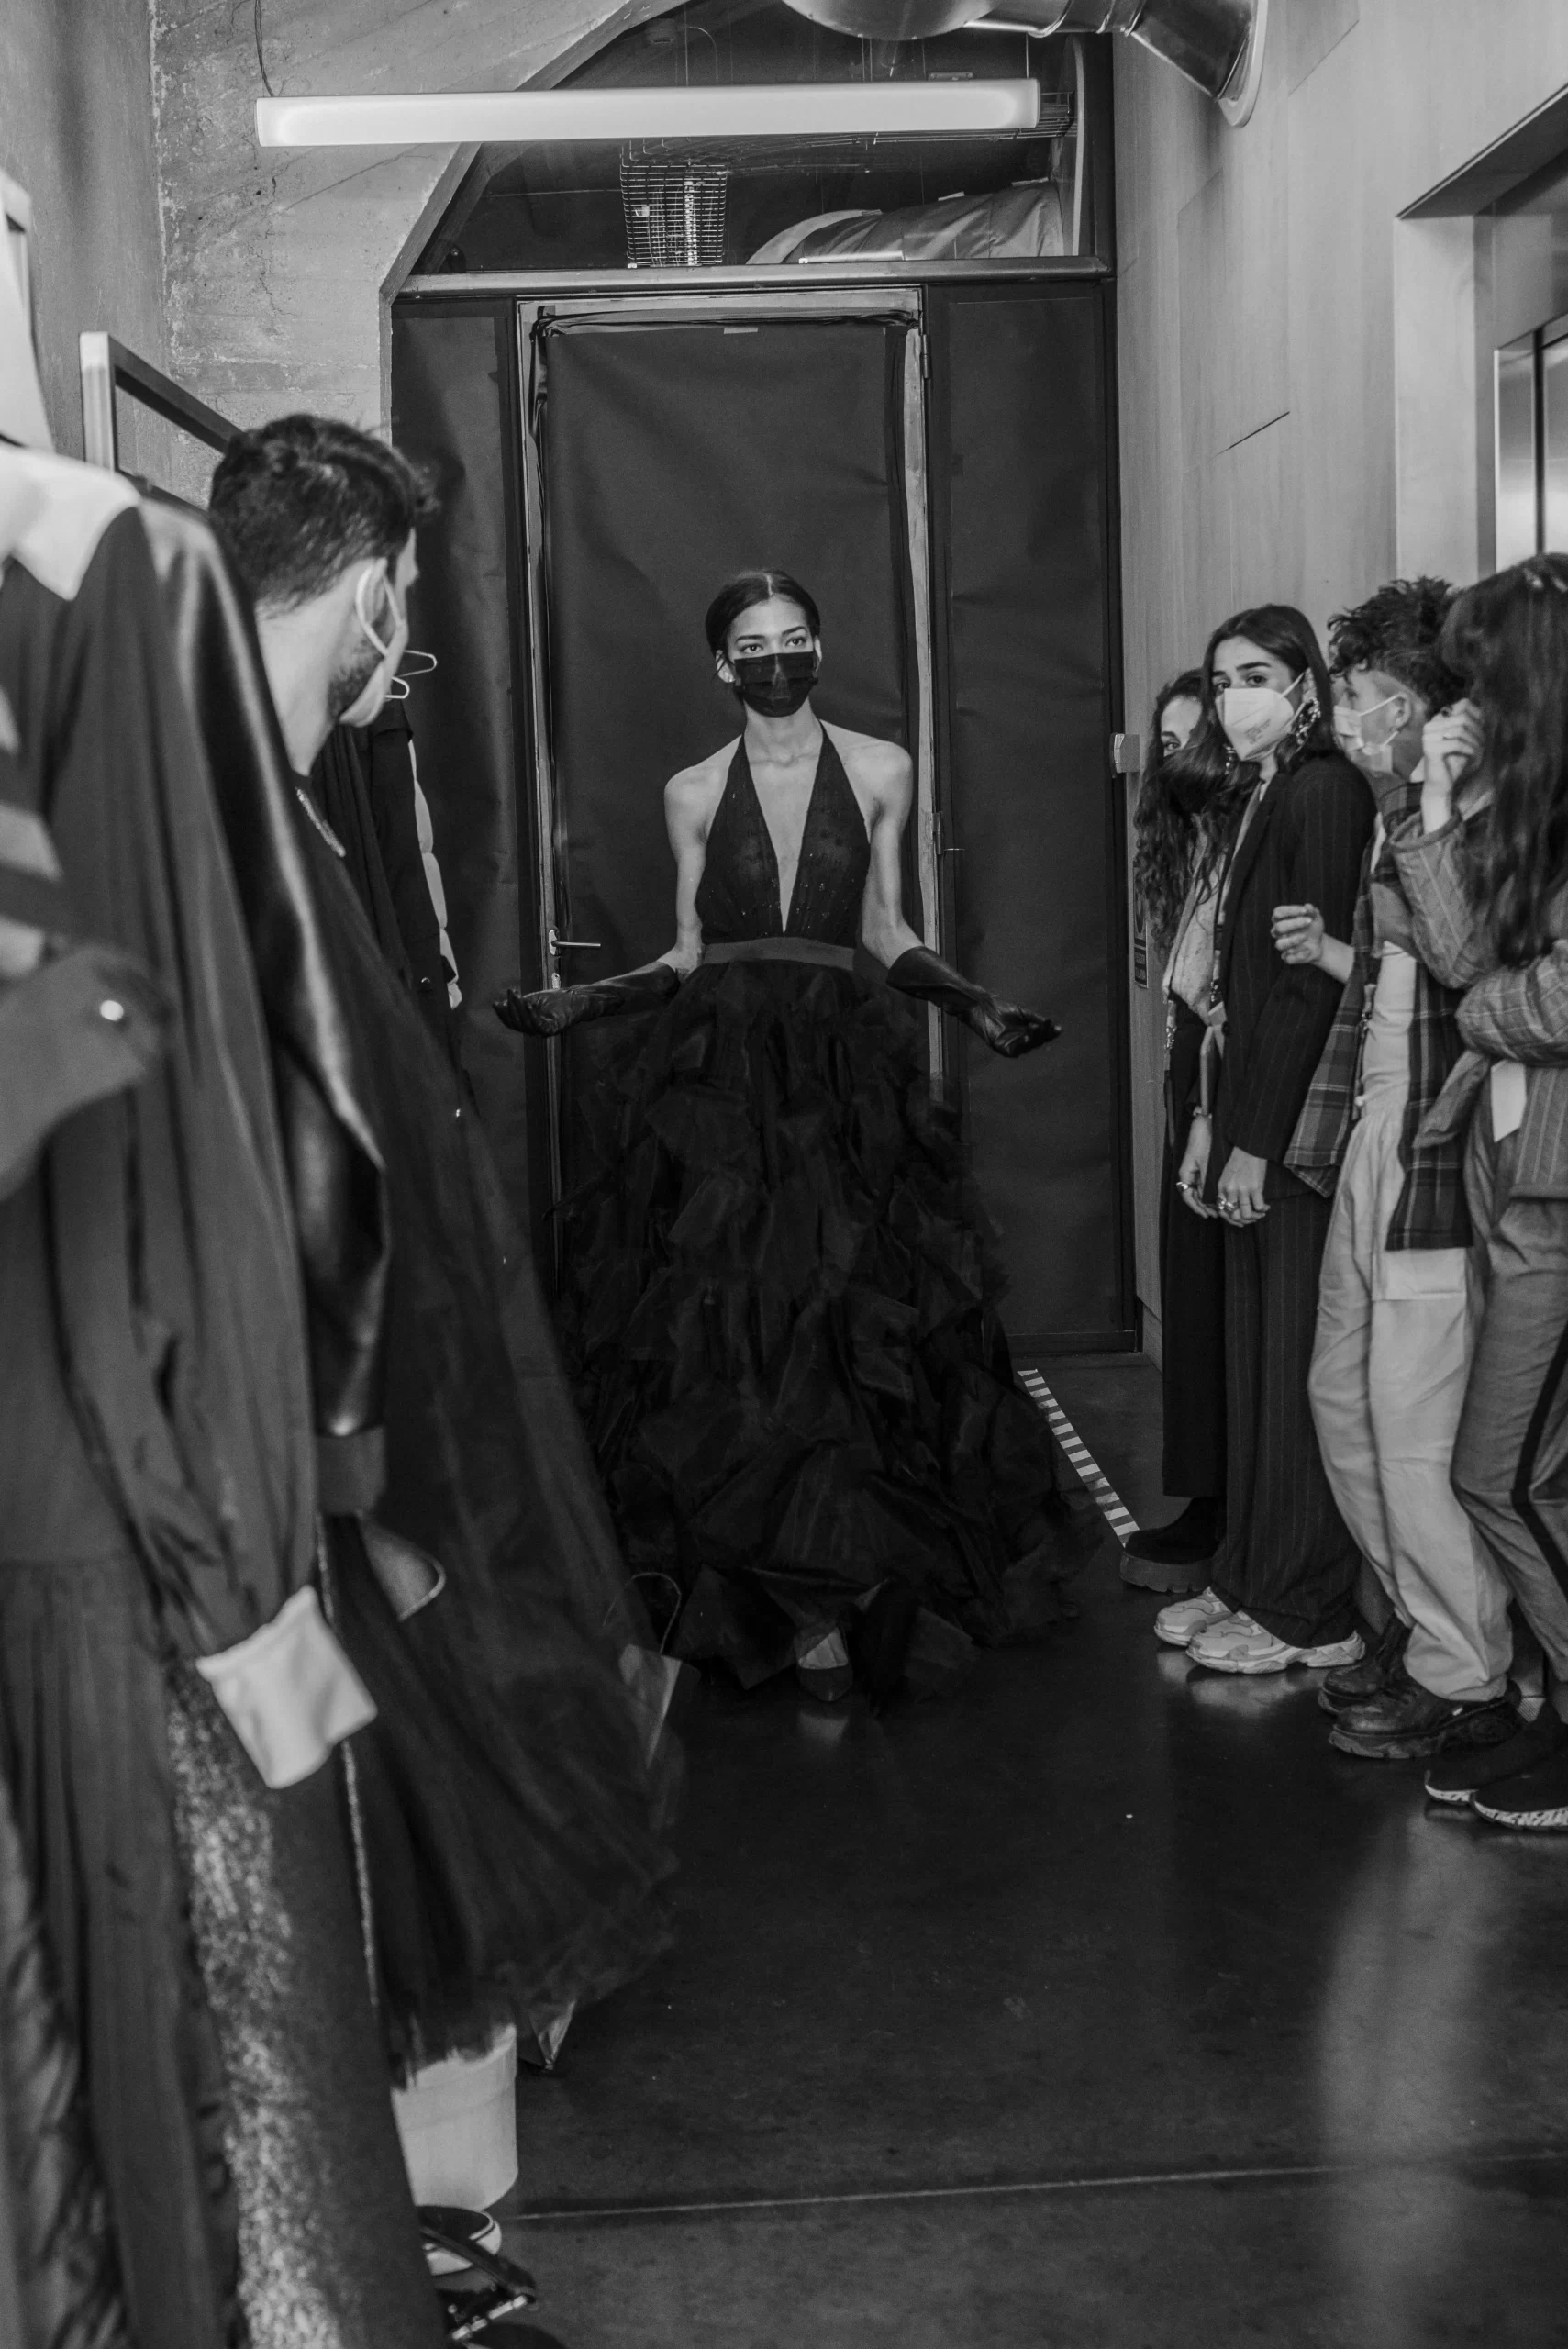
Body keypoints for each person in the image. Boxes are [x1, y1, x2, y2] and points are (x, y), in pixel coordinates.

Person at [208, 414, 675, 2072]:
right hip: (308, 1456)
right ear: (368, 593)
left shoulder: (267, 802)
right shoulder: (232, 823)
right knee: (346, 1834)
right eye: (398, 591)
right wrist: (365, 1484)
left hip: (351, 1427)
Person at [495, 567, 1110, 1703]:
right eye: (753, 644)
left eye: (793, 638)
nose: (776, 659)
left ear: (818, 648)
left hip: (838, 1070)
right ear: (720, 665)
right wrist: (580, 1003)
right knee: (730, 1322)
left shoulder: (880, 768)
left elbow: (883, 926)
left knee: (846, 1312)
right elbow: (686, 951)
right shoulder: (691, 790)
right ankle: (775, 1596)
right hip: (719, 1074)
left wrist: (974, 1005)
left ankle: (858, 1573)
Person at [1270, 580, 1516, 1761]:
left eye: (1365, 694)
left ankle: (1463, 1671)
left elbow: (1465, 962)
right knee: (1340, 1397)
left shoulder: (1481, 811)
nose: (1349, 717)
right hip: (1374, 1132)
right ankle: (1418, 1625)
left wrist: (1428, 806)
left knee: (1414, 1421)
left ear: (1420, 706)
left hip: (1436, 1145)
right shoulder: (1394, 811)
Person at [1154, 605, 1373, 1675]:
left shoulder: (1322, 789)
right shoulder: (1259, 790)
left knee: (1290, 1373)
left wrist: (1259, 1141)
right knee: (1249, 1367)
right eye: (1220, 677)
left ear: (1303, 681)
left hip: (1292, 1132)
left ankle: (1304, 1610)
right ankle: (1243, 1574)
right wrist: (1211, 1122)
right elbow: (1230, 996)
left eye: (1253, 674)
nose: (1233, 695)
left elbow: (1302, 990)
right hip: (1243, 1107)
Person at [1389, 554, 1568, 1825]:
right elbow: (1458, 953)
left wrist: (1482, 1014)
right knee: (1521, 1473)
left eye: (1476, 678)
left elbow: (1537, 998)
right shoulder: (1534, 802)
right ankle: (1553, 1712)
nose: (1461, 703)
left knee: (1498, 1474)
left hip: (1556, 1192)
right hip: (1520, 1177)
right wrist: (1438, 797)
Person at [1123, 673, 1235, 1591]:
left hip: (1223, 1089)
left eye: (1193, 737)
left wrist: (1208, 1113)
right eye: (1165, 743)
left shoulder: (1254, 837)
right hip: (1186, 1074)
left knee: (1218, 1305)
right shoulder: (1191, 848)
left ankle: (1226, 1509)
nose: (1179, 756)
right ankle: (1205, 1497)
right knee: (1191, 1300)